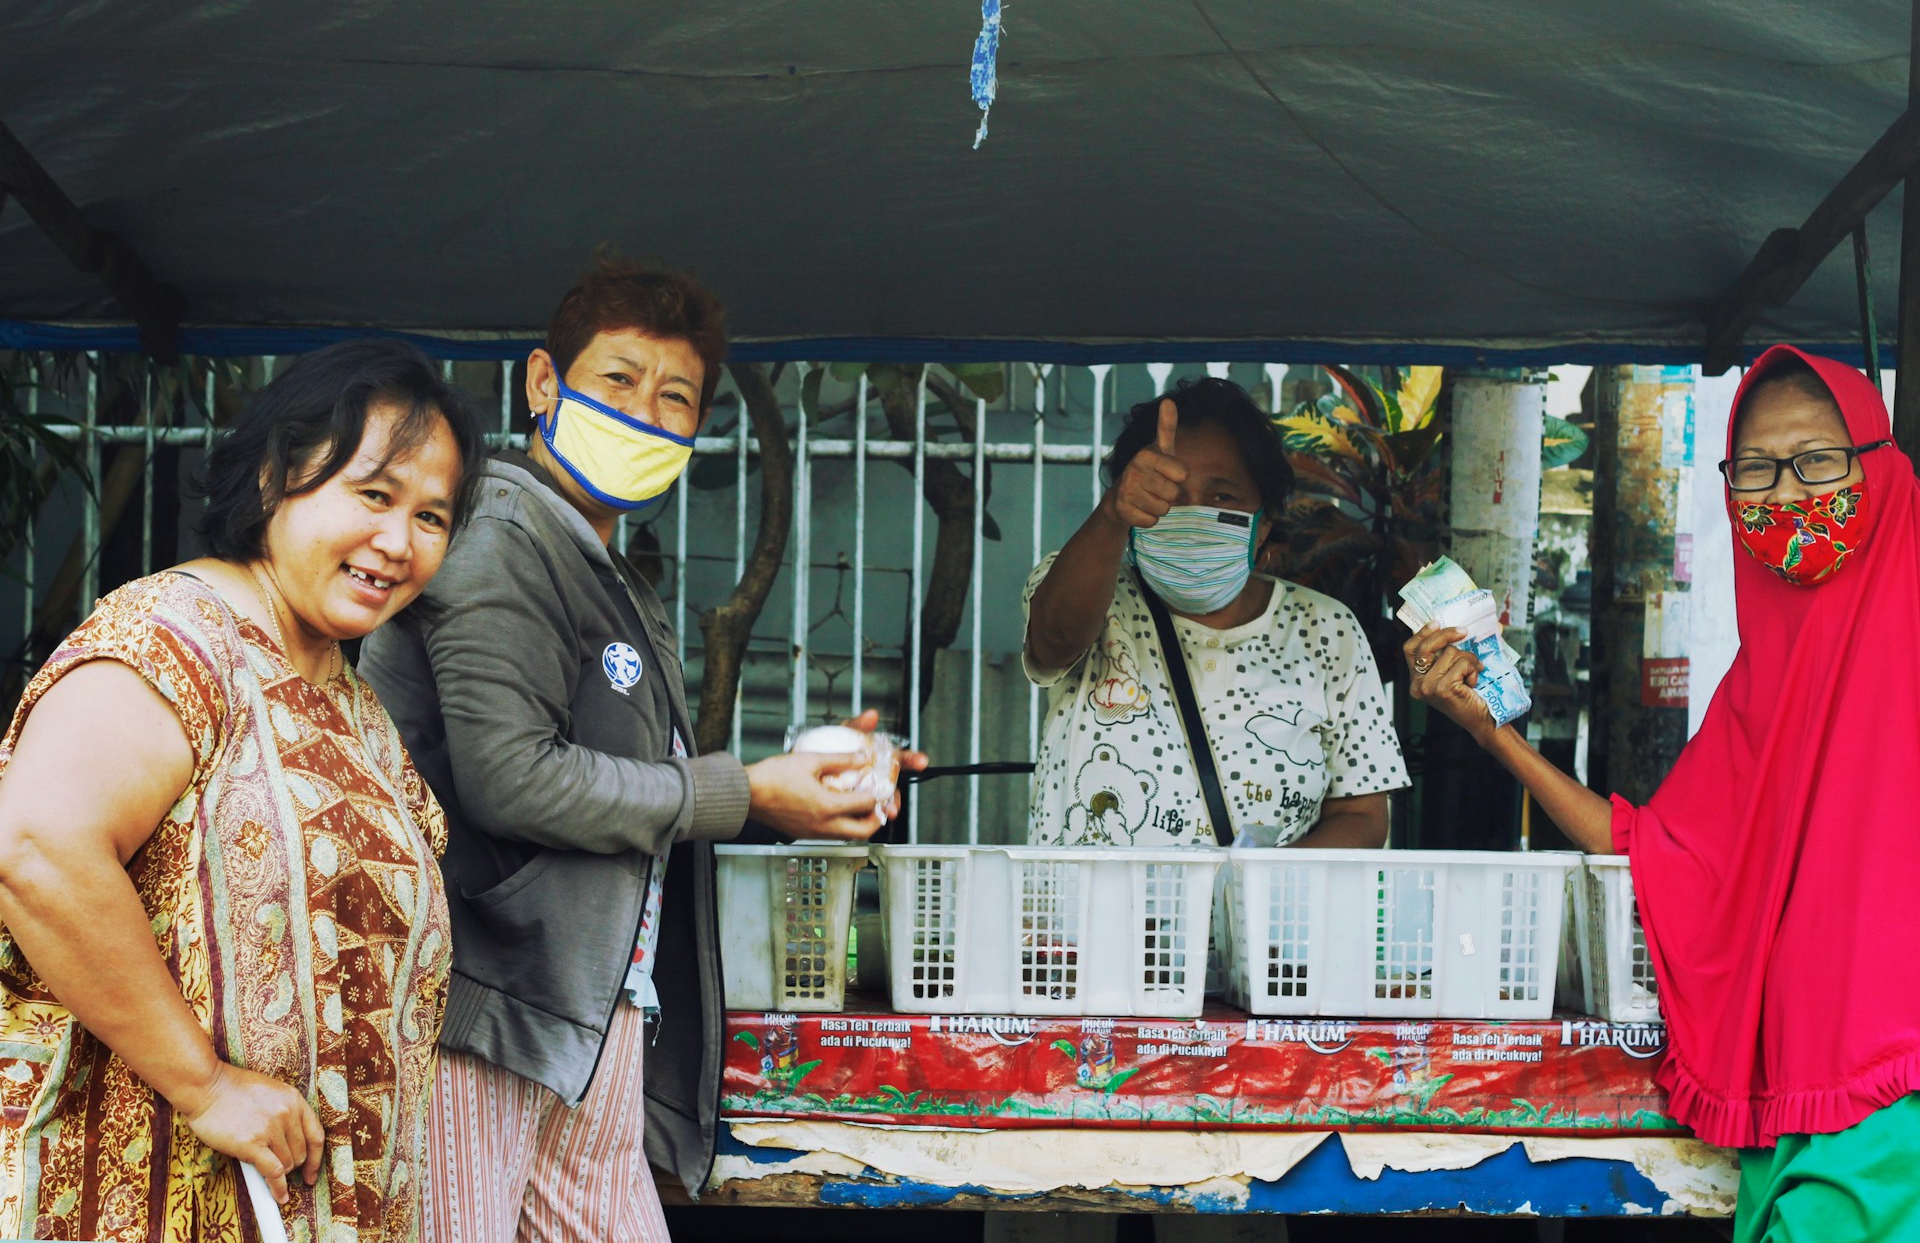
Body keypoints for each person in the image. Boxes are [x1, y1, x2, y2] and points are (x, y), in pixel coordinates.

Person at [358, 254, 922, 1243]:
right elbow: (512, 777)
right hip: (481, 1009)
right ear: (546, 383)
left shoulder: (598, 562)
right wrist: (747, 791)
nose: (645, 414)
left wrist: (808, 785)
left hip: (587, 1006)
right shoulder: (501, 533)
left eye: (677, 396)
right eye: (617, 379)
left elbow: (642, 786)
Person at [1405, 346, 1920, 1241]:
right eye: (1755, 469)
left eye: (1819, 461)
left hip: (1892, 1103)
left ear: (1880, 466)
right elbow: (1656, 851)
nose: (1787, 493)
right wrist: (1492, 733)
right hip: (1800, 1099)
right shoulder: (1763, 686)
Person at [0, 340, 487, 1242]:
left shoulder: (354, 703)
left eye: (432, 516)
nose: (398, 541)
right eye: (374, 495)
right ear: (273, 479)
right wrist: (206, 1084)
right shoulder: (174, 639)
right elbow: (36, 848)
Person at [1022, 376, 1408, 849]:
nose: (1193, 513)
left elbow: (1362, 812)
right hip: (1086, 920)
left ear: (1264, 523)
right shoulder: (1087, 588)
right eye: (1166, 493)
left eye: (1223, 497)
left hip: (1258, 923)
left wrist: (1259, 896)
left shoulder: (1325, 628)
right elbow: (1053, 641)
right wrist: (1110, 516)